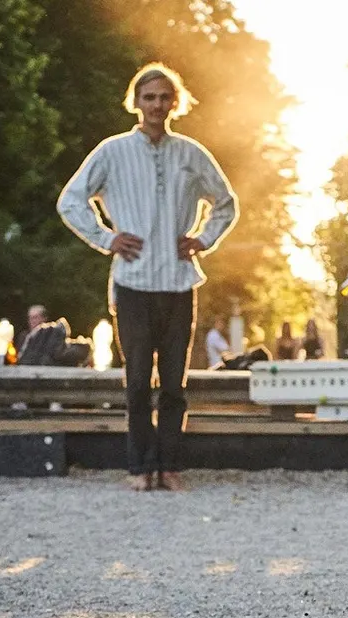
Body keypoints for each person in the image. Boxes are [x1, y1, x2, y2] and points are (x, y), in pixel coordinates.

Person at [57, 62, 238, 492]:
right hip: (133, 283)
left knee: (174, 383)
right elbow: (71, 200)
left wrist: (202, 238)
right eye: (149, 97)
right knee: (137, 380)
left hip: (177, 281)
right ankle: (139, 466)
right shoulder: (112, 151)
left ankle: (170, 465)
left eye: (164, 97)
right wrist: (106, 237)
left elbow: (226, 202)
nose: (157, 105)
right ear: (136, 102)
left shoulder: (192, 153)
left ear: (176, 102)